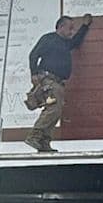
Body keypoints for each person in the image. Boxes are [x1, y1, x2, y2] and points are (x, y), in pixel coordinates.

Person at [24, 14, 93, 153]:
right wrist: (34, 73)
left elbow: (76, 41)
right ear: (60, 27)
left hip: (58, 82)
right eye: (70, 28)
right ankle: (35, 135)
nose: (71, 31)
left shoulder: (66, 43)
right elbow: (34, 55)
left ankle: (44, 142)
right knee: (53, 108)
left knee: (56, 110)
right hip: (49, 80)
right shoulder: (48, 39)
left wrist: (85, 26)